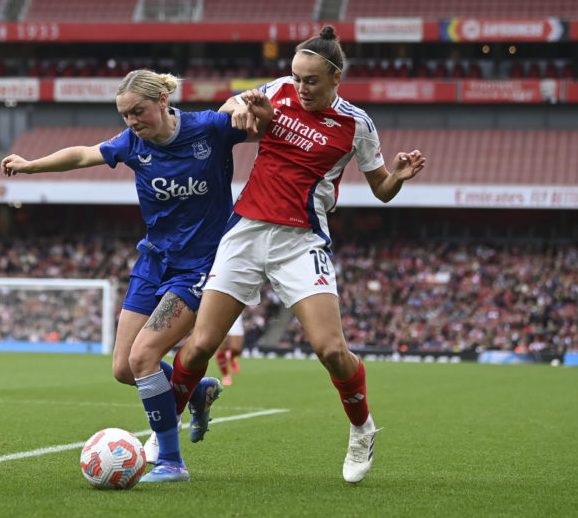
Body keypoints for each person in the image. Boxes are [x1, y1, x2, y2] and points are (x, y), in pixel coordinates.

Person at [169, 25, 427, 484]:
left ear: (335, 78)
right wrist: (244, 109)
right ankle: (164, 437)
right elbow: (236, 106)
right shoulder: (279, 90)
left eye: (311, 80)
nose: (301, 87)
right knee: (200, 345)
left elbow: (381, 189)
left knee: (330, 349)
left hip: (301, 239)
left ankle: (361, 428)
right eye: (296, 77)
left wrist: (400, 175)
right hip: (246, 231)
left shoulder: (357, 125)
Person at [1, 69, 269, 483]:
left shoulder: (209, 129)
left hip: (200, 265)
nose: (131, 122)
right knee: (125, 369)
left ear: (162, 101)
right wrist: (31, 165)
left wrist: (243, 106)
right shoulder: (131, 144)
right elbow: (83, 154)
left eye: (138, 112)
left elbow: (266, 130)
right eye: (124, 115)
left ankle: (171, 462)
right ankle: (196, 391)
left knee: (144, 357)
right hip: (153, 262)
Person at [215, 316, 244, 386]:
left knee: (236, 349)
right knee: (221, 347)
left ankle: (231, 357)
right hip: (219, 314)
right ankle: (226, 375)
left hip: (235, 313)